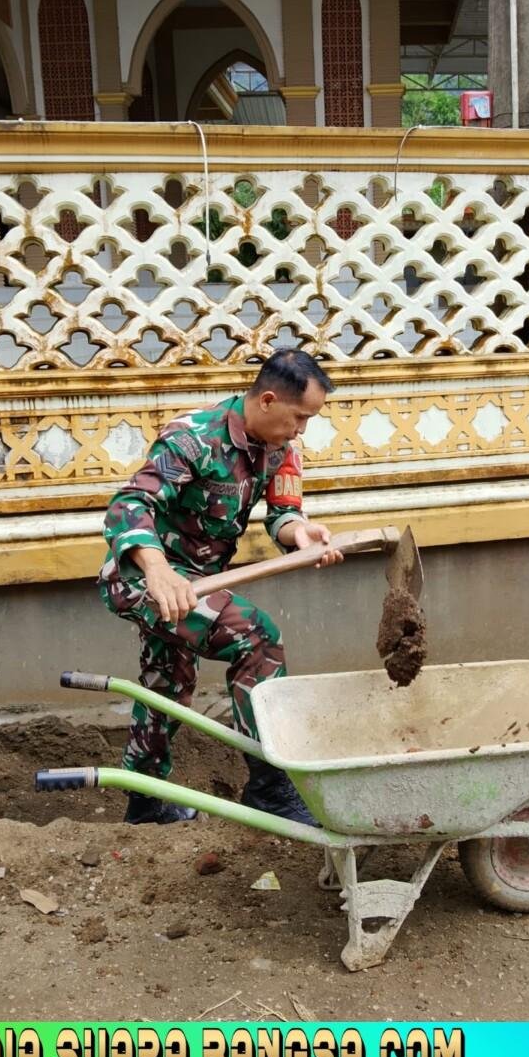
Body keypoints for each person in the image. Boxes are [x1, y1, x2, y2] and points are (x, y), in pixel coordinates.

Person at [98, 349, 342, 826]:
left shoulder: (280, 451)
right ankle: (270, 789)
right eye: (300, 417)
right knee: (257, 639)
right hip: (141, 581)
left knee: (167, 685)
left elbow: (284, 514)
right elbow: (129, 503)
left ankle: (144, 803)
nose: (302, 431)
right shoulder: (192, 439)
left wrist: (301, 534)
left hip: (203, 583)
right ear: (268, 400)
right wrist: (157, 568)